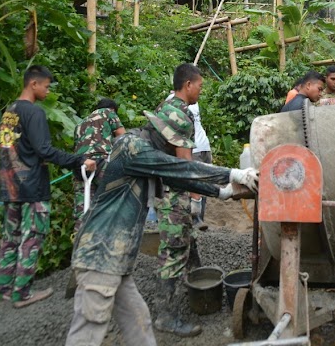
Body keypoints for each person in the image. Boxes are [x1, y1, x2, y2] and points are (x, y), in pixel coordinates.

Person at [65, 104, 258, 346]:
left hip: (116, 260)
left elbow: (176, 177)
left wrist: (222, 192)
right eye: (173, 144)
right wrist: (233, 174)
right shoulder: (130, 147)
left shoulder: (145, 156)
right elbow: (178, 167)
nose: (174, 150)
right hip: (100, 255)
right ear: (162, 135)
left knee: (139, 322)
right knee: (88, 331)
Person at [0, 65, 97, 308]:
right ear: (33, 84)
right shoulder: (34, 113)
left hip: (9, 185)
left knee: (10, 237)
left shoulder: (9, 112)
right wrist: (80, 160)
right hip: (31, 187)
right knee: (32, 237)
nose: (47, 91)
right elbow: (44, 150)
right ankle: (22, 293)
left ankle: (6, 289)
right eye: (46, 86)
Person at [153, 63, 205, 336]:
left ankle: (193, 285)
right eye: (199, 86)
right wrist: (196, 196)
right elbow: (185, 163)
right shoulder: (180, 114)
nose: (200, 91)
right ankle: (166, 316)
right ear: (188, 85)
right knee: (173, 251)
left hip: (162, 188)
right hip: (173, 193)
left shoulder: (166, 104)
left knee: (183, 242)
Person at [72, 98, 126, 232]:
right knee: (111, 201)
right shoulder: (109, 113)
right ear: (113, 109)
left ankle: (79, 240)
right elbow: (123, 137)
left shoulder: (80, 123)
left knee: (83, 207)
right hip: (101, 162)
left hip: (80, 165)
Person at [188, 101, 212, 229]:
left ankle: (200, 218)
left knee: (205, 184)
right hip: (193, 148)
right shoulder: (172, 102)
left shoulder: (194, 102)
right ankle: (195, 218)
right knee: (195, 182)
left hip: (204, 146)